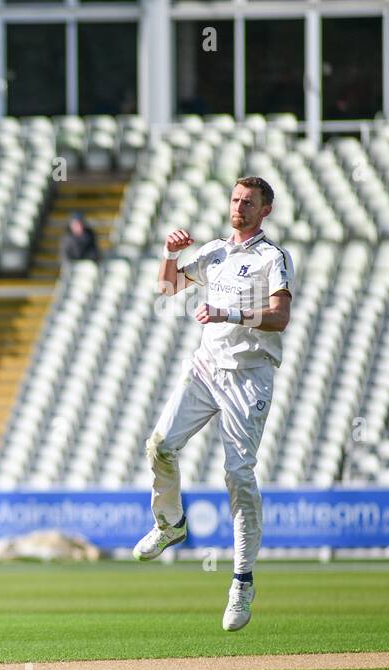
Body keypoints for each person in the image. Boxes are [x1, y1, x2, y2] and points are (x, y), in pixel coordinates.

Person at [136, 177, 295, 632]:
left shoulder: (273, 257)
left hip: (249, 375)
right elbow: (167, 290)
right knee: (160, 445)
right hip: (206, 369)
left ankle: (242, 580)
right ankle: (170, 524)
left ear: (265, 210)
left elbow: (280, 318)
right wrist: (169, 253)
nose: (239, 207)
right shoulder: (214, 251)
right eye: (235, 199)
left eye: (249, 202)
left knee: (238, 476)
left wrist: (229, 313)